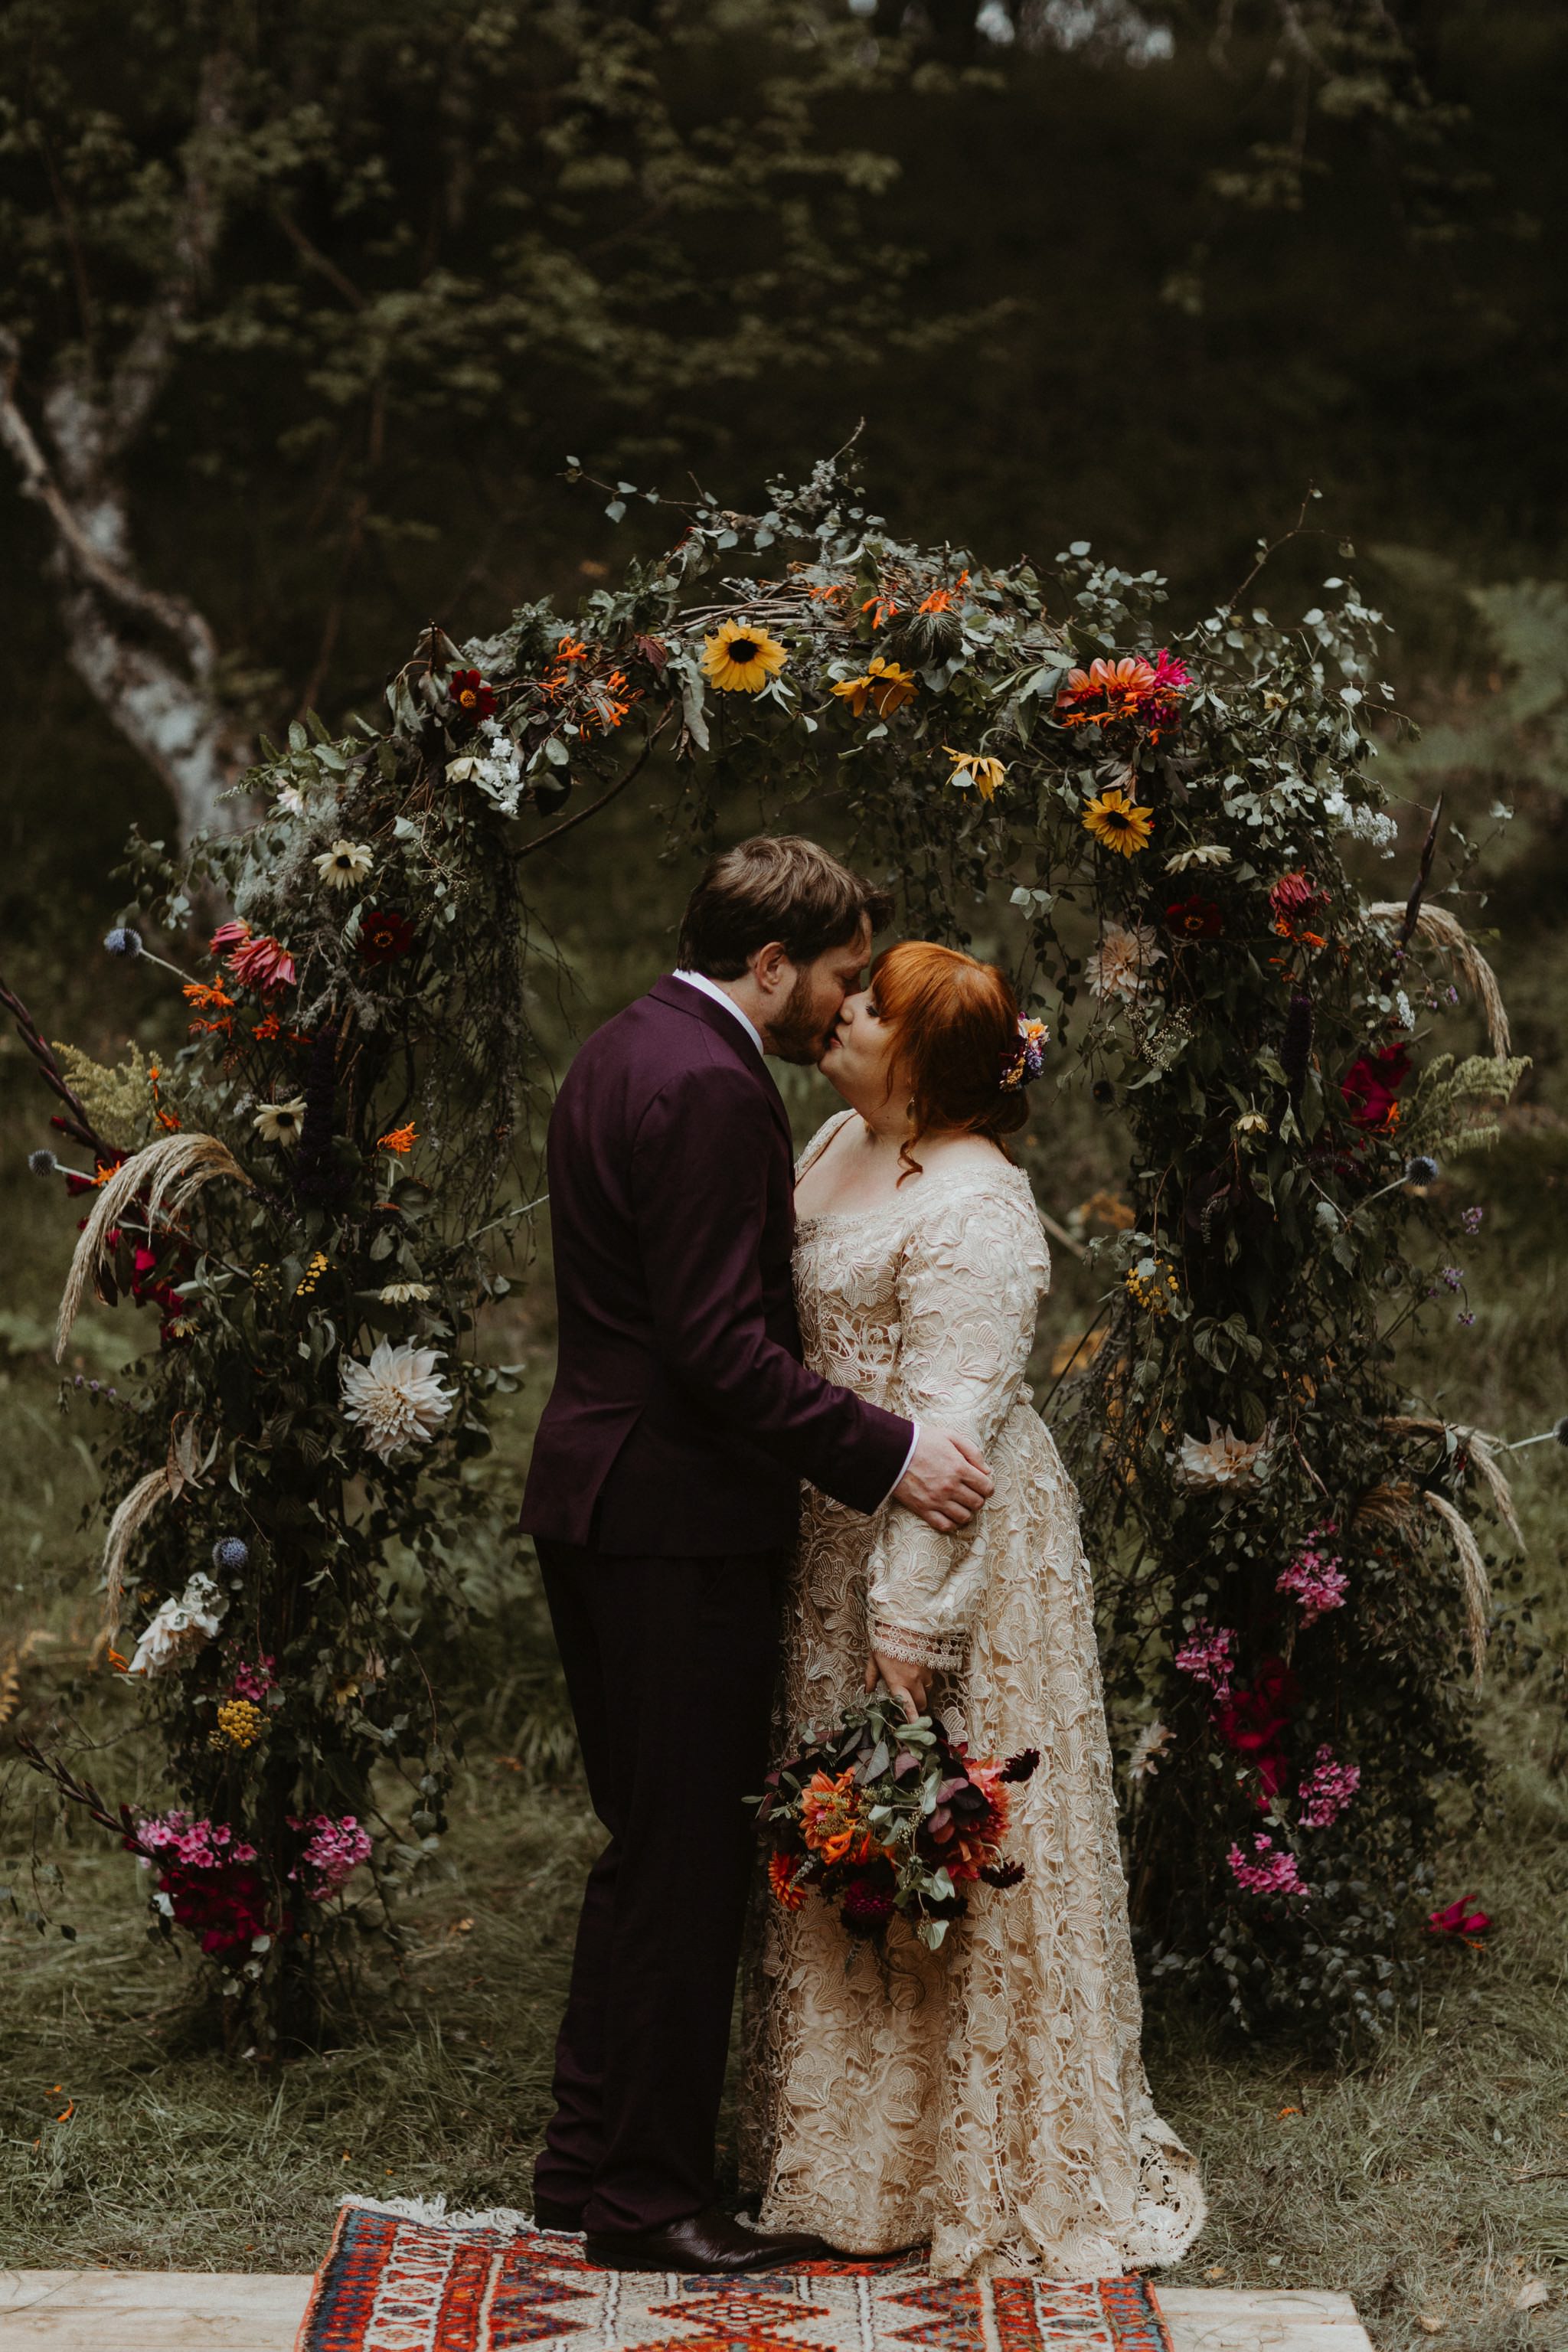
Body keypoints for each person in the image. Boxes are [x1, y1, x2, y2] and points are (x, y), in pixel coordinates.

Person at [518, 838, 995, 2274]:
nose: (847, 1003)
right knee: (683, 1869)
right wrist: (893, 1452)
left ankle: (581, 2159)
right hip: (674, 1524)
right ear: (771, 964)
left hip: (594, 1501)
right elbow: (720, 1351)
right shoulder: (720, 1088)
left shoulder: (622, 1044)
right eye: (842, 974)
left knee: (642, 1845)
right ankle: (650, 2201)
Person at [740, 939, 1206, 2276]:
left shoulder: (980, 1209)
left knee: (934, 1820)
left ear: (929, 1067)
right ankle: (847, 2165)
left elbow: (955, 1436)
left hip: (951, 1559)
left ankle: (981, 2163)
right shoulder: (832, 1133)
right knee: (844, 1835)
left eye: (875, 1010)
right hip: (832, 1532)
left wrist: (912, 1636)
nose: (847, 1011)